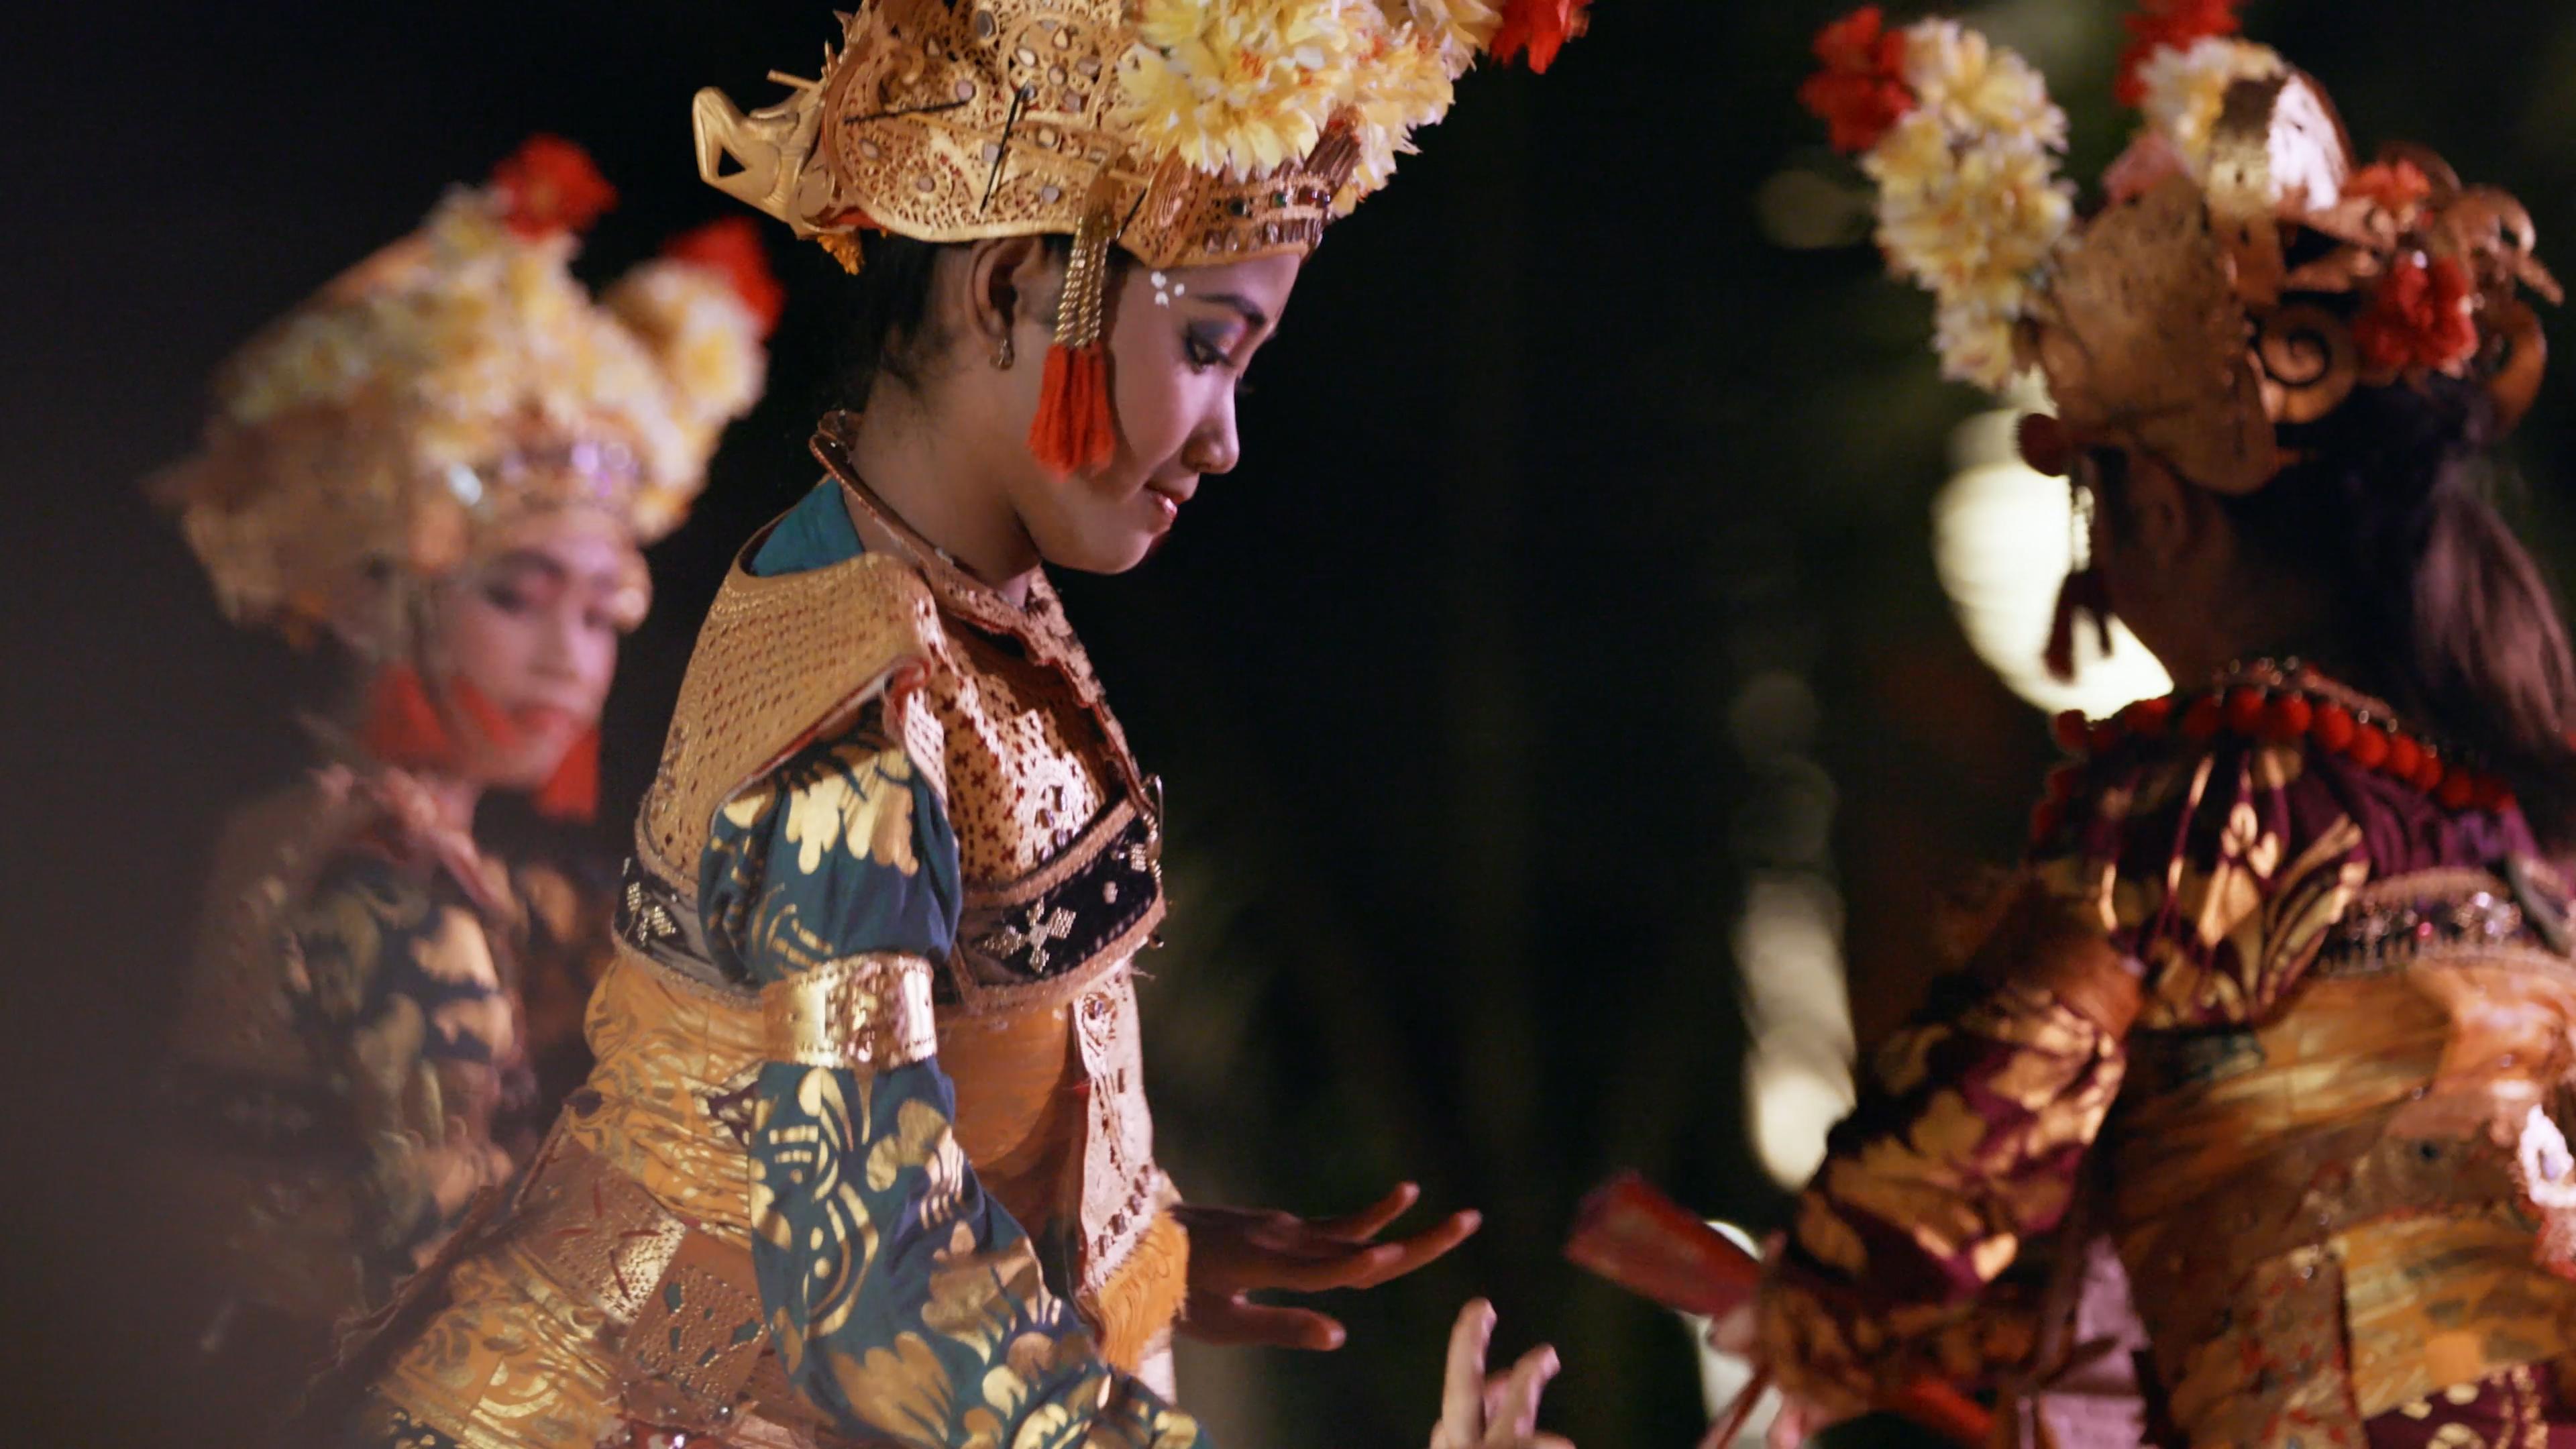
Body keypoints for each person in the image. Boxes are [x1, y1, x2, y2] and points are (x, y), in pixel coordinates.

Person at [343, 3, 1591, 1447]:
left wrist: (1137, 1251)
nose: (1226, 434)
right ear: (1010, 290)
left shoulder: (956, 599)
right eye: (1208, 344)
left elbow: (932, 1108)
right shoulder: (856, 713)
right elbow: (869, 1289)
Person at [1758, 5, 2576, 1446]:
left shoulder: (2202, 801)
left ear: (2166, 511)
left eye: (2097, 504)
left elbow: (1924, 1211)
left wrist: (1809, 1309)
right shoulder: (2511, 840)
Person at [152, 136, 775, 1440]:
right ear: (380, 597)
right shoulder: (379, 877)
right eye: (516, 595)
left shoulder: (408, 856)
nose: (570, 655)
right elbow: (474, 1294)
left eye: (604, 615)